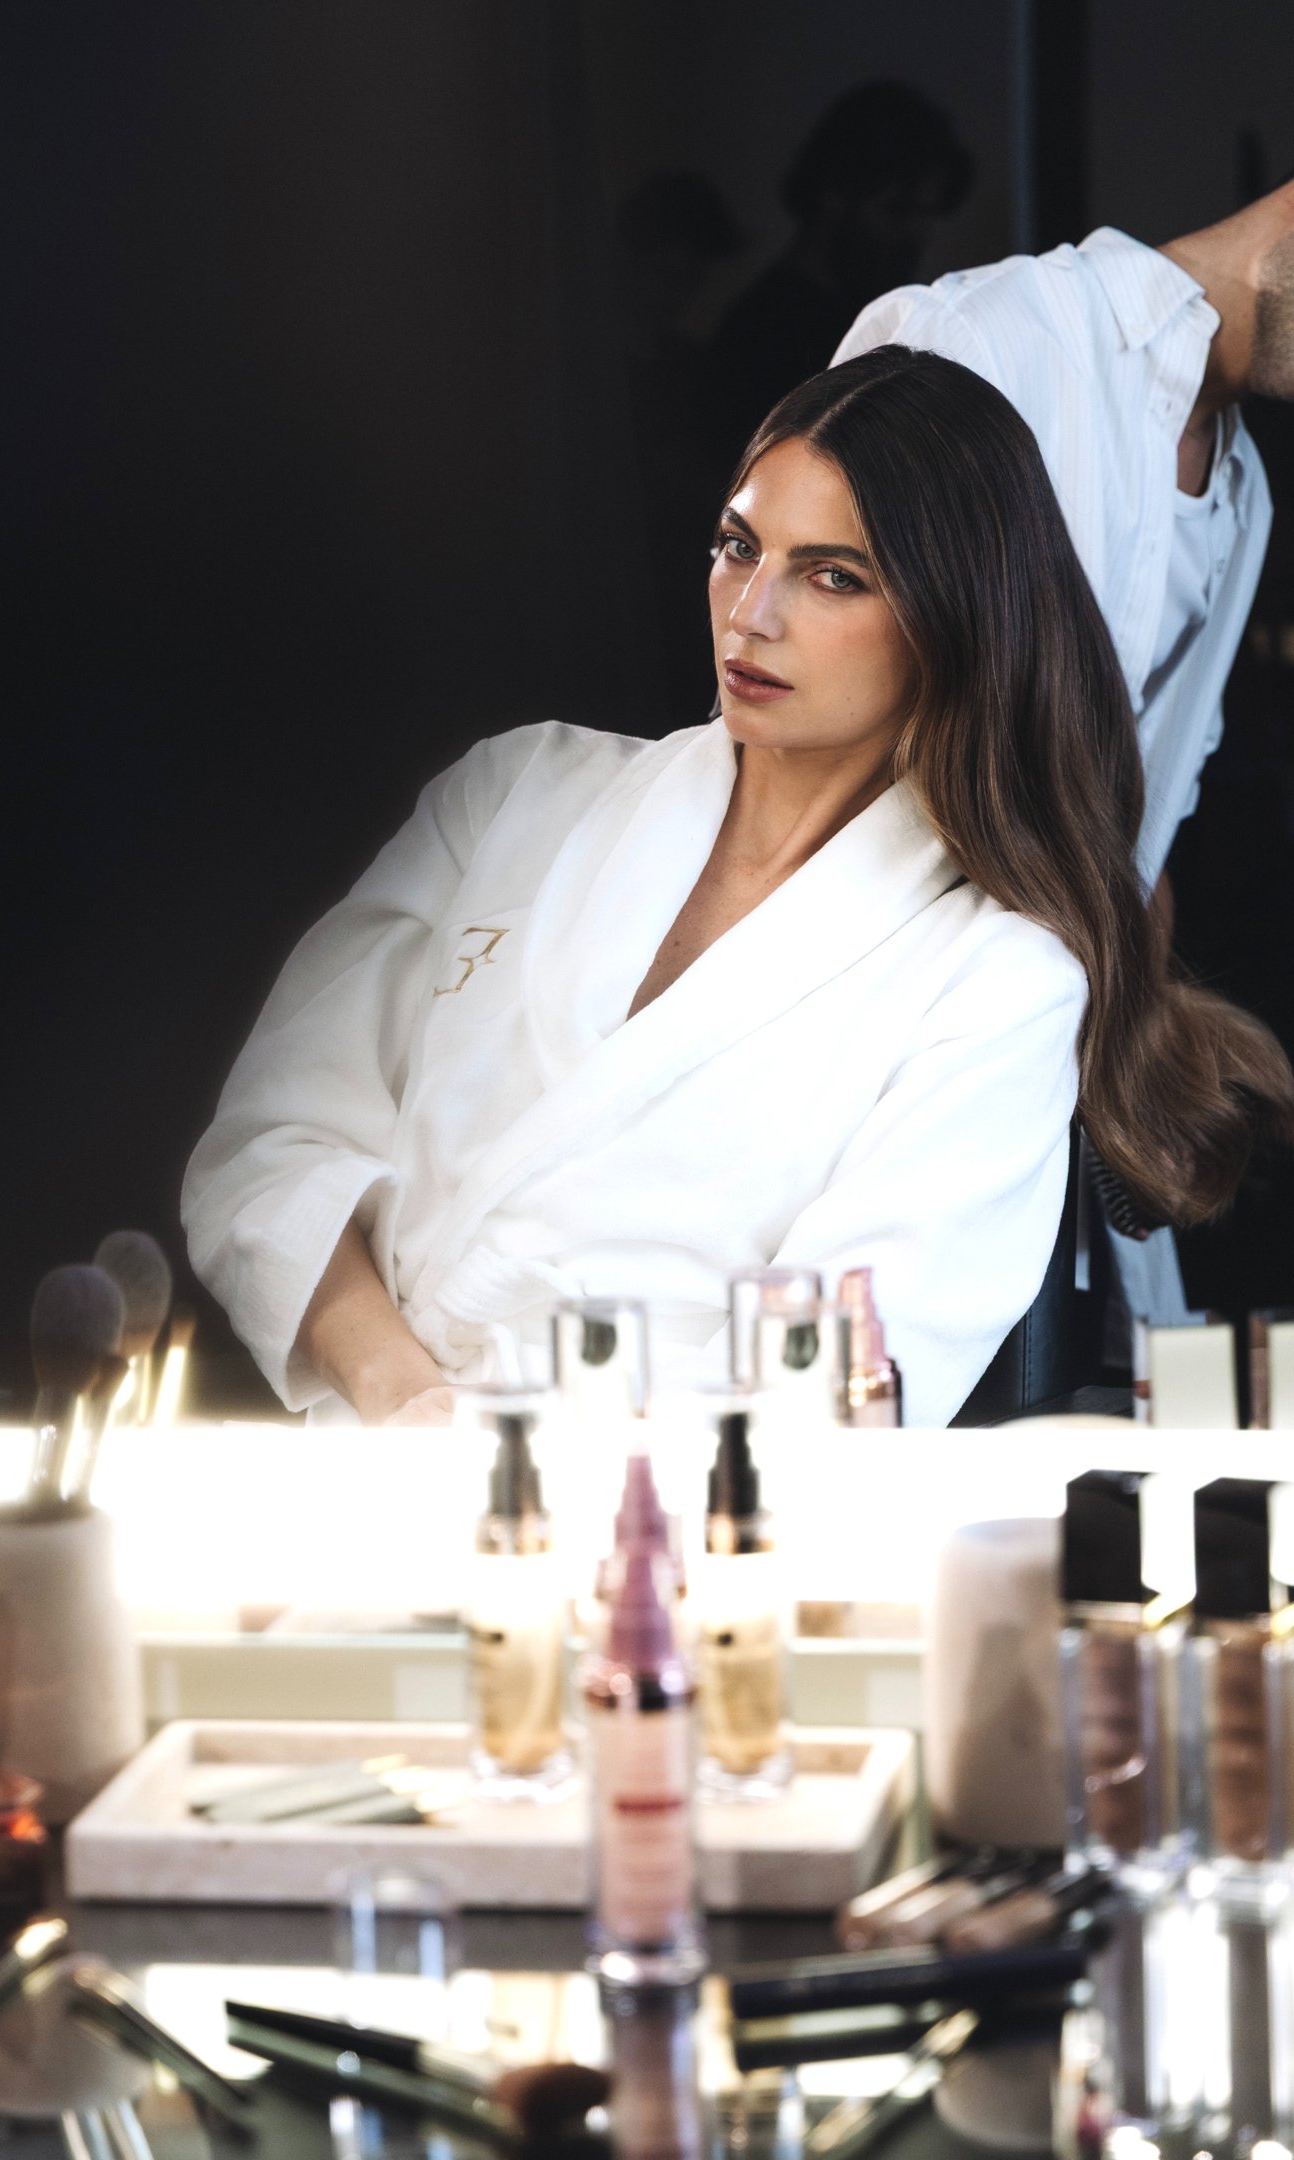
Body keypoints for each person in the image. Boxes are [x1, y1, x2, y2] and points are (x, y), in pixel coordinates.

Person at [182, 349, 1294, 1429]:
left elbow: (829, 1391)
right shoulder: (515, 790)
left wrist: (522, 1478)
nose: (750, 614)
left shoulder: (996, 981)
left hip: (669, 1548)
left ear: (958, 619)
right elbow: (270, 1146)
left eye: (832, 576)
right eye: (736, 546)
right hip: (369, 1459)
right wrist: (405, 1401)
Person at [832, 181, 1294, 1322]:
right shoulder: (985, 339)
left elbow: (1142, 816)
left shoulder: (1242, 494)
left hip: (1061, 1088)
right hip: (890, 1056)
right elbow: (826, 719)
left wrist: (1143, 1031)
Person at [708, 82, 974, 468]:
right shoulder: (763, 335)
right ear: (833, 197)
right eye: (897, 211)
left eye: (928, 216)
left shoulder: (888, 318)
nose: (916, 238)